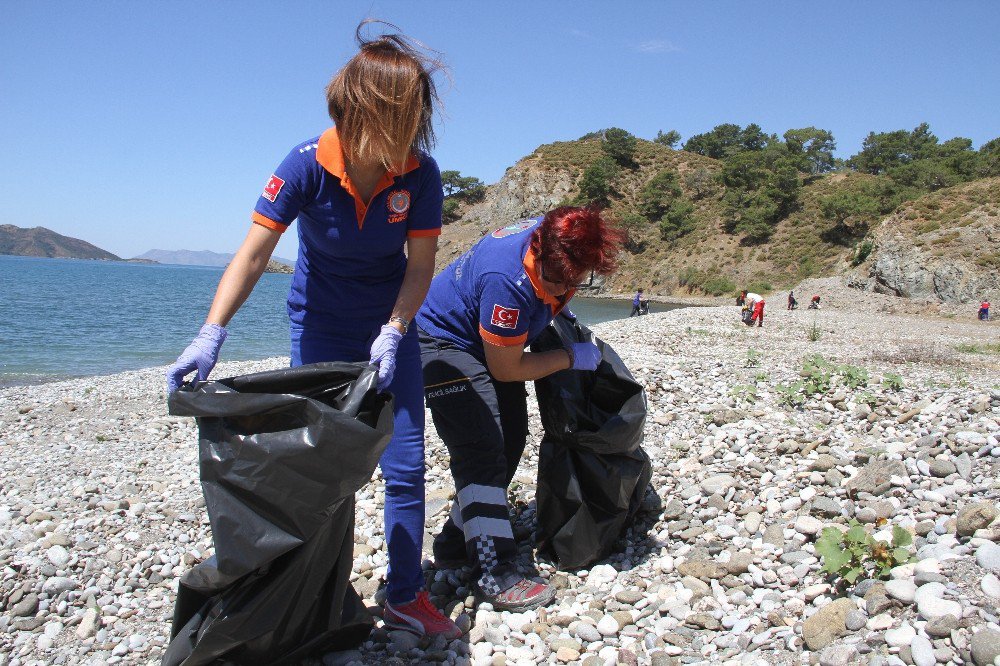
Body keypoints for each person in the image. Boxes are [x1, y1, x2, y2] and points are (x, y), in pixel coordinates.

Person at [165, 23, 460, 639]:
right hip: (320, 323)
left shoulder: (420, 175)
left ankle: (405, 594)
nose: (408, 137)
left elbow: (422, 266)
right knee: (325, 466)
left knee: (404, 464)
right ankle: (320, 593)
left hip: (391, 329)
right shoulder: (305, 164)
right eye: (399, 120)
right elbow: (251, 254)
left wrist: (396, 328)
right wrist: (210, 333)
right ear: (362, 111)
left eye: (414, 123)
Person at [415, 206, 625, 611]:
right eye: (556, 279)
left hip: (486, 338)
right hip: (442, 342)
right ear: (540, 248)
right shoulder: (506, 283)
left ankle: (455, 542)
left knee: (511, 439)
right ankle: (494, 572)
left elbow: (520, 340)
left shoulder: (559, 239)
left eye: (575, 280)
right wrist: (568, 357)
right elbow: (508, 368)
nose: (564, 287)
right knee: (481, 447)